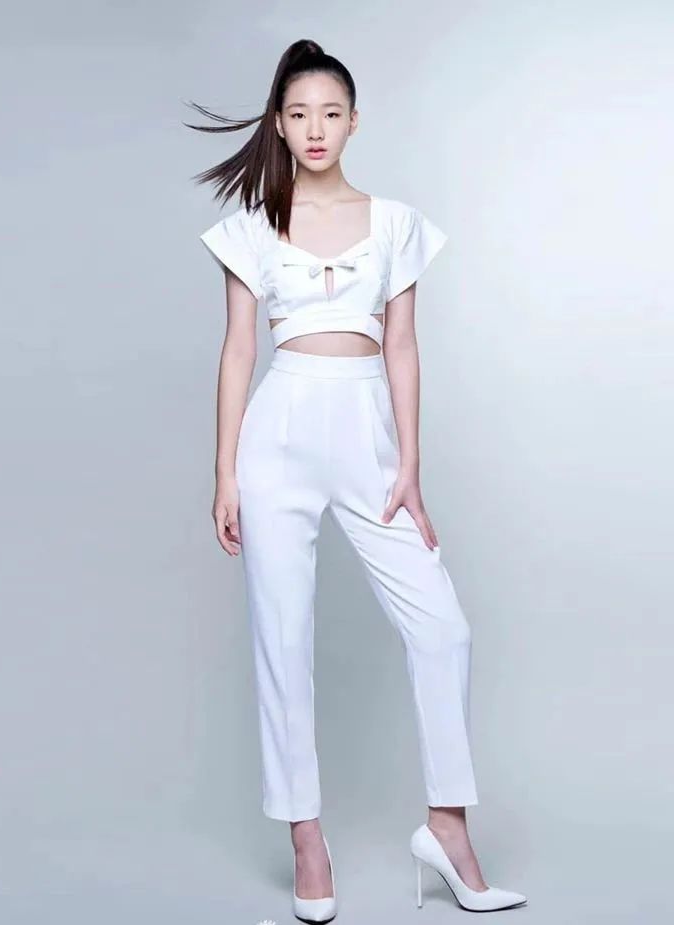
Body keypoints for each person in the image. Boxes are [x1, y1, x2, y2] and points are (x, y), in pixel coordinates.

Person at [188, 39, 527, 921]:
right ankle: (306, 836)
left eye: (331, 113)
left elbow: (403, 346)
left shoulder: (396, 223)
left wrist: (409, 463)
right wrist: (224, 472)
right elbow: (238, 350)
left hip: (368, 429)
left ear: (354, 122)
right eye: (299, 113)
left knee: (442, 628)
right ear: (278, 123)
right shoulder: (250, 225)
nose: (315, 128)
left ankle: (447, 827)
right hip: (278, 435)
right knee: (282, 638)